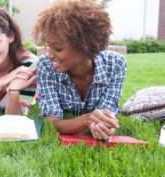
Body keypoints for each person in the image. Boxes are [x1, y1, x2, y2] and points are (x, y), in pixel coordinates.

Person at [33, 0, 127, 140]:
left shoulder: (115, 64)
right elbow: (51, 122)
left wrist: (104, 124)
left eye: (57, 49)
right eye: (48, 46)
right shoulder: (45, 65)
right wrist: (87, 119)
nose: (50, 55)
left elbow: (106, 114)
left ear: (84, 46)